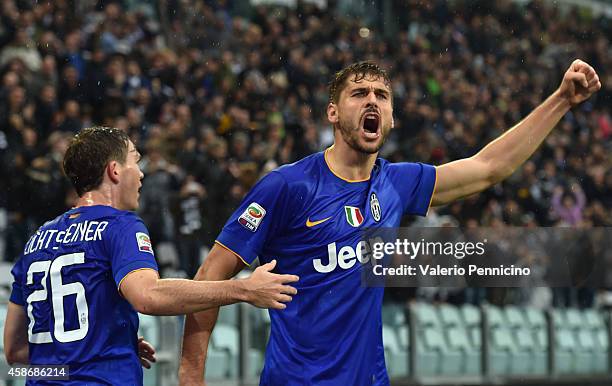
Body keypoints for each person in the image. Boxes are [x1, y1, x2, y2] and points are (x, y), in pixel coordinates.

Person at [179, 60, 601, 385]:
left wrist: (561, 99)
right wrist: (190, 379)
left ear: (392, 117)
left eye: (382, 95)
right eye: (358, 93)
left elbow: (489, 167)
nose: (372, 101)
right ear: (332, 112)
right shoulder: (288, 187)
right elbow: (208, 276)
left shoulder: (397, 183)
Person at [3, 127, 299, 385]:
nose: (141, 173)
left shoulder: (36, 241)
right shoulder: (120, 226)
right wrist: (242, 289)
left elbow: (15, 352)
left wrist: (77, 363)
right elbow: (148, 296)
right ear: (114, 170)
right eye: (136, 160)